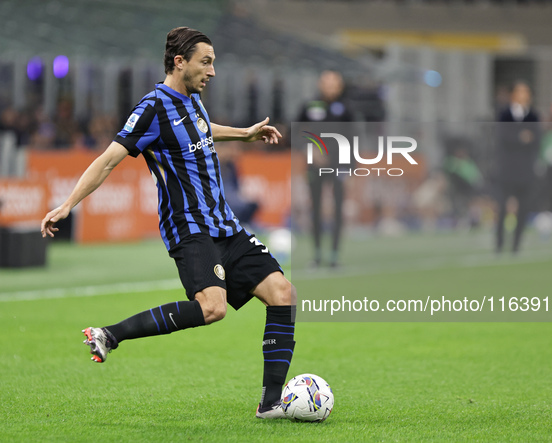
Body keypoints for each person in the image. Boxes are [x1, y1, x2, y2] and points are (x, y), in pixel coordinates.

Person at [41, 27, 295, 419]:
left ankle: (271, 404)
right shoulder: (152, 108)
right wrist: (68, 204)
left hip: (224, 225)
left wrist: (243, 134)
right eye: (205, 62)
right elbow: (108, 159)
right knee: (213, 308)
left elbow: (201, 131)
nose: (212, 72)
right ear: (180, 62)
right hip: (189, 227)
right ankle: (109, 334)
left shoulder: (193, 101)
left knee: (283, 293)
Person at [298, 70, 354, 267]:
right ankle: (317, 254)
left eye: (334, 83)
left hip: (338, 166)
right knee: (315, 208)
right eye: (326, 83)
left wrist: (349, 167)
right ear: (320, 84)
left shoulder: (346, 109)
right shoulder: (310, 106)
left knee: (338, 209)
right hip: (315, 166)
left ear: (340, 86)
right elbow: (297, 133)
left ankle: (334, 255)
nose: (330, 87)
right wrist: (310, 150)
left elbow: (353, 137)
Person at [495, 81, 540, 254]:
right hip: (507, 170)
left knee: (523, 209)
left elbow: (536, 139)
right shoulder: (504, 114)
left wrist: (521, 138)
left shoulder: (533, 116)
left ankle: (516, 245)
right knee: (502, 208)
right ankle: (499, 245)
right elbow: (504, 138)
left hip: (526, 171)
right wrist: (521, 137)